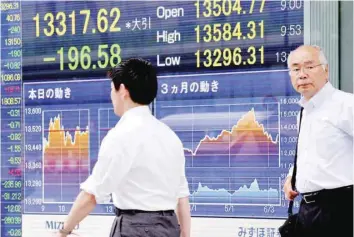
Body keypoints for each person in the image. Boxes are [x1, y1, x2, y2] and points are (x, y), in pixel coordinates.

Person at [55, 58, 191, 237]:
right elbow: (181, 197)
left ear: (123, 90)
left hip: (134, 229)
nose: (111, 96)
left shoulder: (120, 135)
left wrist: (63, 231)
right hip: (170, 227)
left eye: (112, 89)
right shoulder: (170, 136)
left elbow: (92, 195)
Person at [283, 45, 353, 236]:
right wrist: (293, 176)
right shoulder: (305, 111)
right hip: (308, 209)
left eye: (309, 66)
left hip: (340, 209)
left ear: (326, 70)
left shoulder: (346, 105)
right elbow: (310, 152)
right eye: (296, 69)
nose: (302, 74)